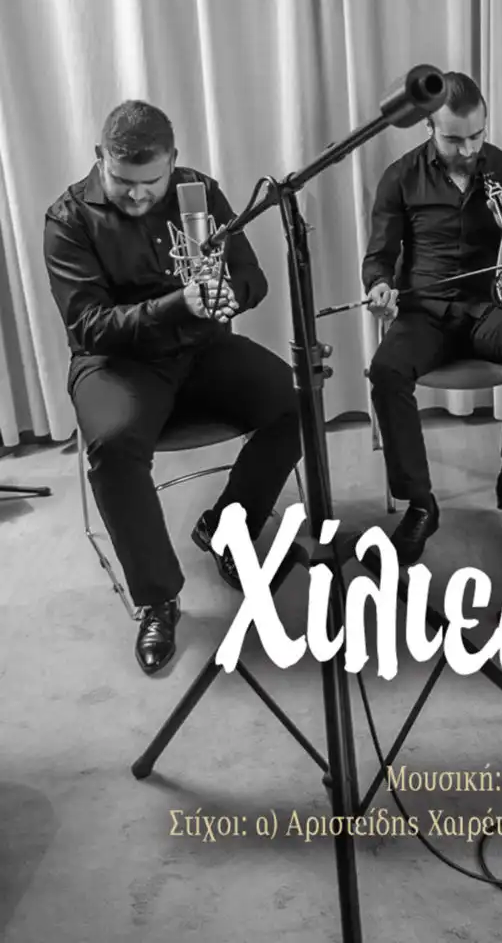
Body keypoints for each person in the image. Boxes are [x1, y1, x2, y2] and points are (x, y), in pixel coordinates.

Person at [43, 100, 301, 675]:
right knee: (113, 446)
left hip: (199, 348)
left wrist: (233, 293)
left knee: (293, 399)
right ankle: (158, 598)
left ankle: (228, 527)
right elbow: (89, 325)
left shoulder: (199, 192)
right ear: (100, 158)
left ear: (173, 161)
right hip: (115, 362)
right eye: (123, 181)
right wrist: (175, 304)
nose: (138, 195)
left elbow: (251, 275)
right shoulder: (68, 218)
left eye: (151, 182)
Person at [362, 71, 502, 565]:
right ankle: (420, 503)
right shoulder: (401, 176)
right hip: (424, 313)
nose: (467, 150)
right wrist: (379, 286)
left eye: (476, 136)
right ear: (428, 125)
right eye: (453, 139)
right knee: (386, 370)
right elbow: (379, 257)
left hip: (489, 309)